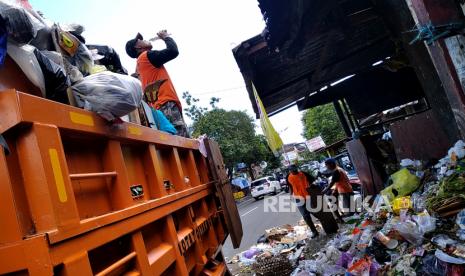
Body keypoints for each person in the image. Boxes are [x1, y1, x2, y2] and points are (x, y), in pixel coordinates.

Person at [125, 30, 189, 137]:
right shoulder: (146, 56)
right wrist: (166, 37)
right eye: (140, 40)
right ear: (138, 48)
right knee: (181, 138)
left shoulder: (140, 65)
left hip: (159, 108)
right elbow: (173, 51)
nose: (144, 39)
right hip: (165, 104)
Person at [286, 165, 339, 237]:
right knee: (305, 216)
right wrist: (290, 195)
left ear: (296, 169)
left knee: (315, 212)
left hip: (308, 197)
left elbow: (313, 180)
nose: (294, 171)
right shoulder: (288, 177)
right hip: (298, 198)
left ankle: (327, 224)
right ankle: (314, 232)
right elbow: (290, 186)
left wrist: (314, 189)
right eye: (292, 170)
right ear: (290, 171)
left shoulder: (303, 174)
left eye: (295, 170)